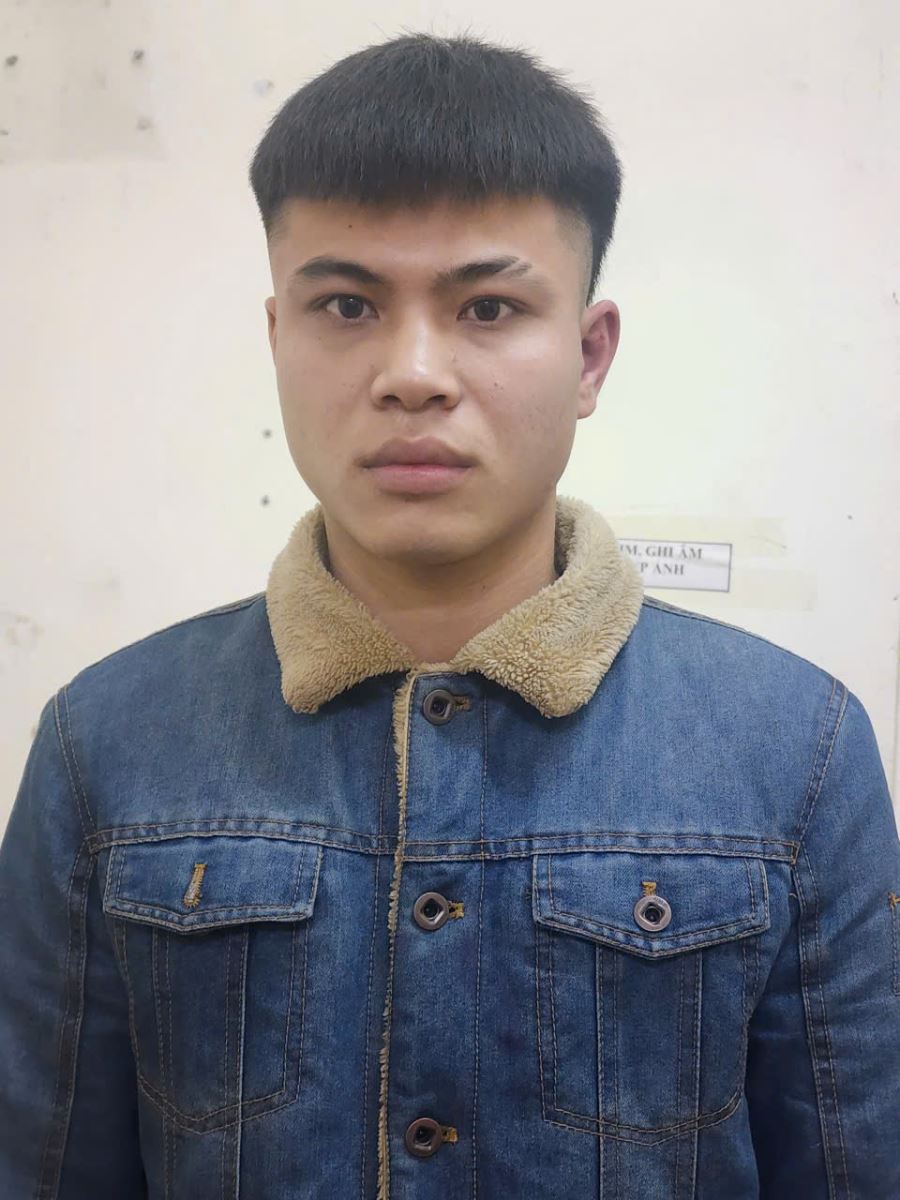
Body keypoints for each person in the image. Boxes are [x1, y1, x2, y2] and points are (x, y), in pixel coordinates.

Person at [1, 29, 898, 1200]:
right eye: (346, 304)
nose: (413, 372)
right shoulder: (106, 744)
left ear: (589, 355)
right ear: (276, 339)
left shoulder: (797, 750)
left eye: (486, 307)